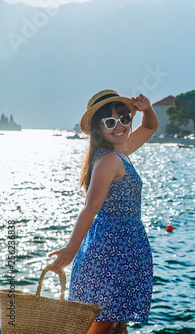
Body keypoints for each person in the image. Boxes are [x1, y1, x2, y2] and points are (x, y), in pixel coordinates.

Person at [48, 89, 158, 334]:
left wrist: (146, 108)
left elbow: (150, 127)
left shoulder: (121, 151)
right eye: (110, 122)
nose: (119, 126)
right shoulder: (110, 159)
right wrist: (71, 249)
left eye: (124, 119)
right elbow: (91, 207)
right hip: (109, 251)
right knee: (101, 322)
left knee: (106, 321)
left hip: (118, 248)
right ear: (99, 128)